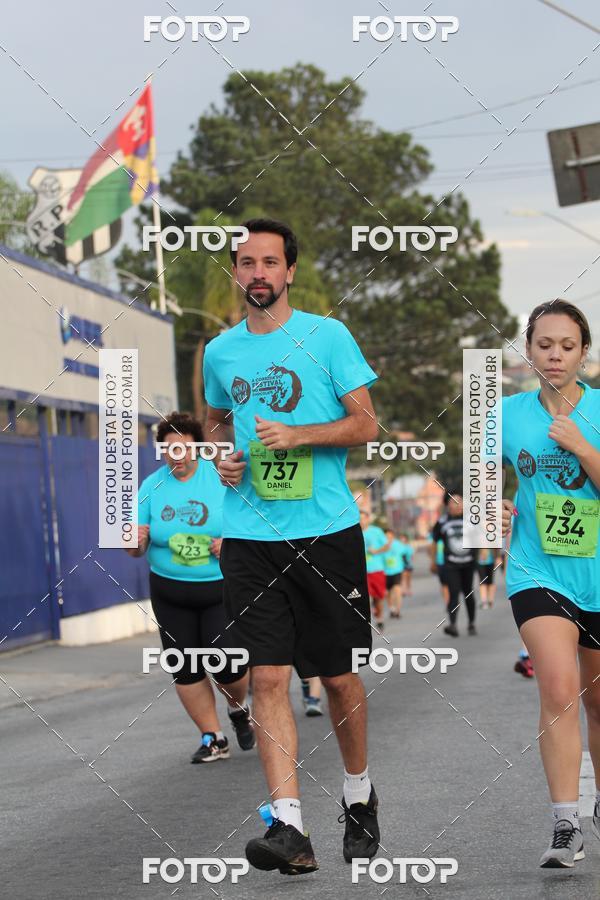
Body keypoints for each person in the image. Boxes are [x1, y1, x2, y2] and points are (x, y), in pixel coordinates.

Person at [203, 218, 381, 875]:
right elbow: (219, 417)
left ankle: (359, 795)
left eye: (269, 262)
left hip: (325, 532)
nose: (258, 273)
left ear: (290, 272)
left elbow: (366, 422)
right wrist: (222, 455)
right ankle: (290, 828)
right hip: (249, 535)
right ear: (237, 273)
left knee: (335, 678)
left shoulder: (327, 337)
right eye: (246, 263)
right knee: (269, 675)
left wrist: (301, 437)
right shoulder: (220, 351)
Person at [502, 300, 600, 868]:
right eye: (544, 345)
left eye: (567, 345)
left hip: (598, 569)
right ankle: (566, 824)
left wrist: (585, 447)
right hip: (538, 571)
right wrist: (482, 505)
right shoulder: (506, 412)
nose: (555, 354)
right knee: (559, 690)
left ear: (583, 352)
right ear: (529, 350)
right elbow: (485, 483)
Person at [127, 412, 255, 763]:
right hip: (169, 591)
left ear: (197, 449)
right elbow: (134, 548)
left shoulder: (219, 479)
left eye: (184, 447)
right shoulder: (151, 486)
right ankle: (213, 738)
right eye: (169, 448)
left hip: (218, 588)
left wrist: (230, 541)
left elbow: (249, 523)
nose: (177, 454)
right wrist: (135, 541)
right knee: (184, 665)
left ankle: (238, 707)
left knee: (228, 664)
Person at [432, 490, 477, 636]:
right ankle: (452, 624)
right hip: (450, 564)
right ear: (447, 504)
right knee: (453, 594)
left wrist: (482, 551)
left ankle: (471, 623)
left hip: (469, 563)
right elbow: (434, 542)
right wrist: (433, 561)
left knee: (468, 593)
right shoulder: (442, 522)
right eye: (453, 501)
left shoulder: (471, 519)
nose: (457, 504)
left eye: (460, 501)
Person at [359, 509, 388, 630]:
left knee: (378, 596)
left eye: (363, 518)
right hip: (361, 571)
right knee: (365, 596)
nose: (361, 521)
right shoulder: (355, 532)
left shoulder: (376, 531)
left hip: (376, 569)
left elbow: (387, 545)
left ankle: (379, 617)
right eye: (359, 518)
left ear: (368, 519)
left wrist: (376, 551)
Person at [383, 527, 404, 618]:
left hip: (396, 571)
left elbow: (406, 551)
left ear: (393, 536)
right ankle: (391, 608)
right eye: (386, 536)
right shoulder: (381, 545)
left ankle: (398, 610)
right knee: (388, 593)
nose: (388, 538)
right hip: (385, 572)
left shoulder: (398, 544)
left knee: (397, 590)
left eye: (389, 536)